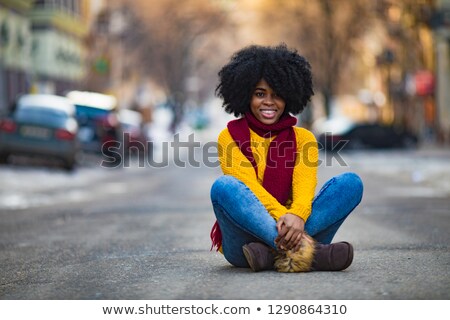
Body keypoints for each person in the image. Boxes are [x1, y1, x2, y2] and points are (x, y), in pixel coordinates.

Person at [210, 44, 364, 272]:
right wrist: (289, 219)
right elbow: (251, 189)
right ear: (246, 96)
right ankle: (309, 250)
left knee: (351, 184)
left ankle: (268, 254)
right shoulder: (229, 137)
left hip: (289, 227)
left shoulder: (304, 138)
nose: (269, 102)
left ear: (289, 97)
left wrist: (298, 214)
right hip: (242, 243)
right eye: (260, 94)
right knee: (224, 187)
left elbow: (304, 187)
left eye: (277, 95)